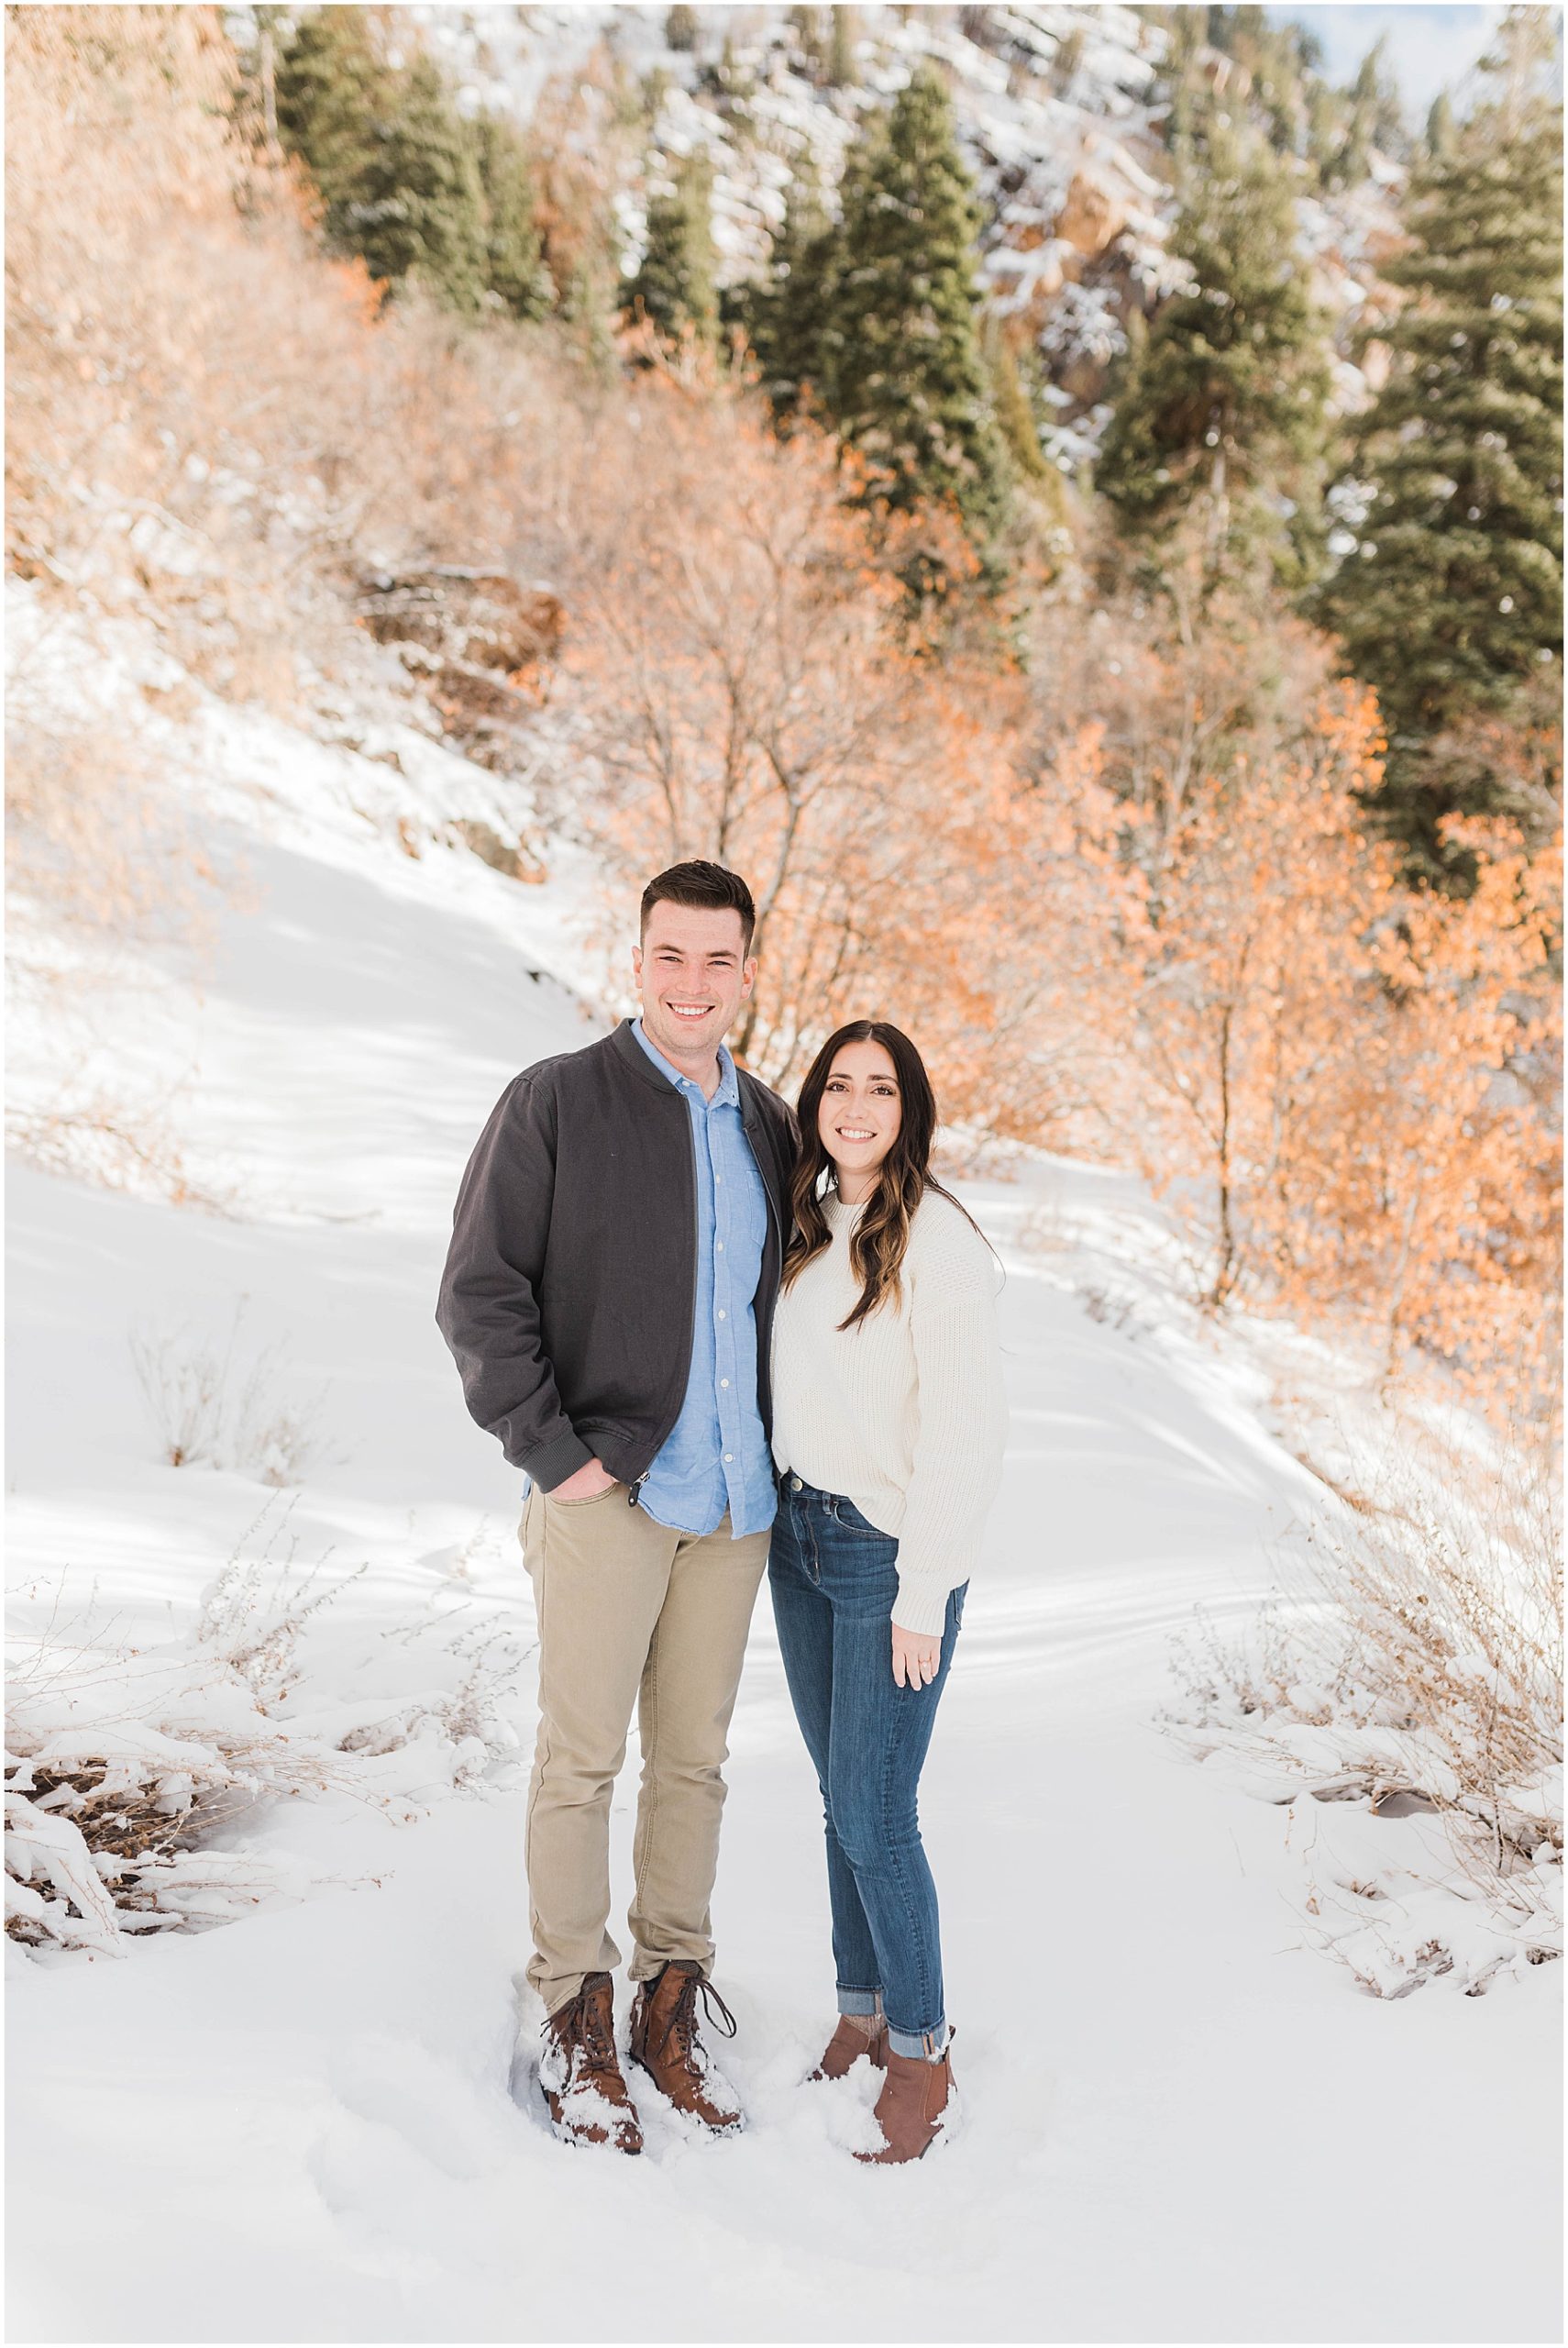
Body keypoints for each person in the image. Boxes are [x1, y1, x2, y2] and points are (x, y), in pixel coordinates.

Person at [436, 861, 795, 2155]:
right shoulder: (555, 1103)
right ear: (635, 958)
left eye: (717, 960)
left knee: (693, 1763)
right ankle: (572, 2012)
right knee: (580, 1761)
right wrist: (559, 1456)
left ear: (749, 970)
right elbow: (479, 1294)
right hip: (610, 1494)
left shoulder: (766, 1121)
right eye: (670, 956)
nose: (691, 983)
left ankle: (664, 2004)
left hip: (736, 1504)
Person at [767, 1019, 1007, 2164]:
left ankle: (922, 2043)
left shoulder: (942, 1247)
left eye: (881, 1089)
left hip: (887, 1557)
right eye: (839, 1085)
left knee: (876, 1810)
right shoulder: (811, 1222)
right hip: (797, 1537)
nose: (855, 1105)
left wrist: (925, 1590)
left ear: (909, 1108)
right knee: (835, 1796)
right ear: (817, 1100)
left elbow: (968, 1437)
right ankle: (860, 2005)